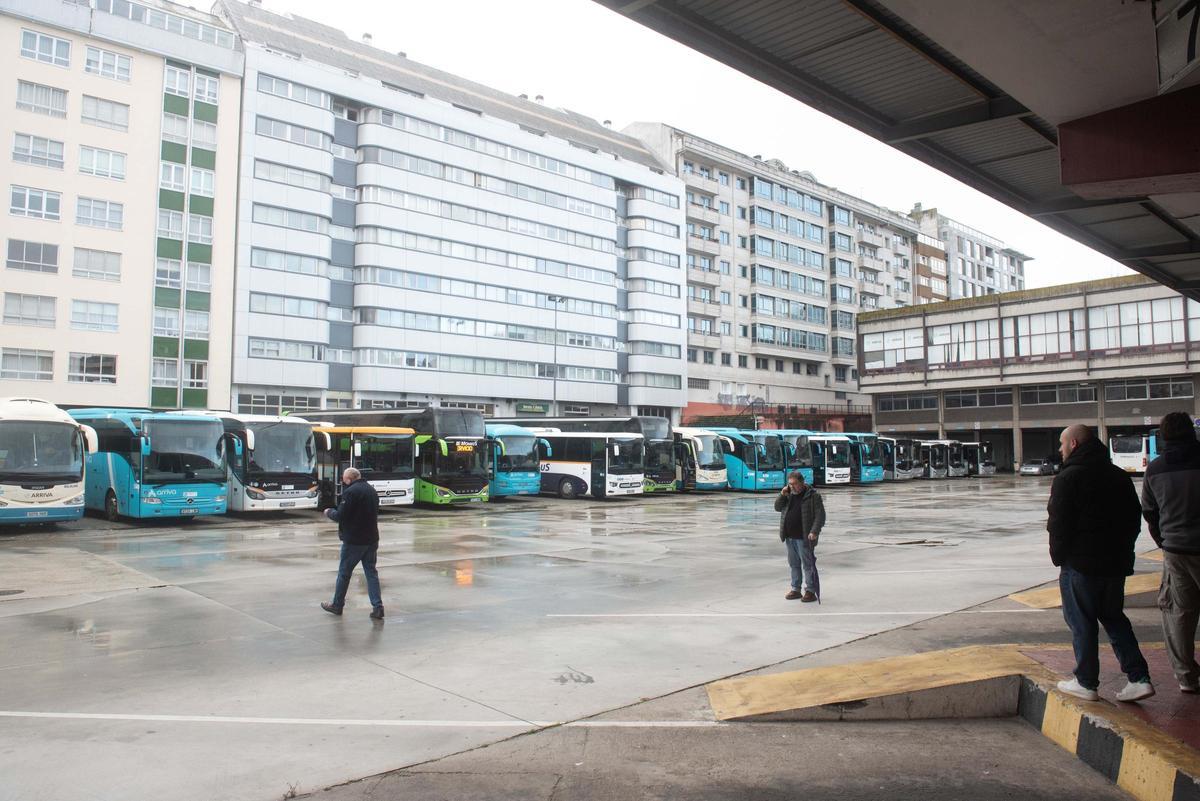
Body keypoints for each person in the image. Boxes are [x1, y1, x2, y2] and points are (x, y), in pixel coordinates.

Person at [1047, 424, 1154, 702]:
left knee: (1082, 622)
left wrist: (1059, 557)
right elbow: (1134, 519)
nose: (1059, 449)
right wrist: (1122, 552)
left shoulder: (1068, 478)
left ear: (1074, 444)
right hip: (1114, 565)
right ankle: (1138, 678)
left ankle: (1086, 681)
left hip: (1080, 565)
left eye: (1062, 443)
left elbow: (1058, 525)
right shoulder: (1118, 476)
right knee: (1114, 617)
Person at [1141, 412, 1200, 694]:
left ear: (1163, 436)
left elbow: (1150, 513)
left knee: (1178, 612)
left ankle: (1186, 676)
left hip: (1176, 550)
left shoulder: (1155, 469)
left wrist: (1164, 541)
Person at [321, 467, 384, 620]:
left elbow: (341, 515)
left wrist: (329, 512)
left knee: (344, 574)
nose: (343, 481)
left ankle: (337, 605)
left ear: (349, 479)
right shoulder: (371, 490)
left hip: (355, 541)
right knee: (371, 573)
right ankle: (378, 607)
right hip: (371, 539)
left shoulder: (350, 492)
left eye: (344, 479)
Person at [775, 471, 825, 602]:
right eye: (790, 484)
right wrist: (782, 495)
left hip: (805, 538)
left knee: (808, 565)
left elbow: (820, 516)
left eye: (795, 484)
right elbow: (777, 507)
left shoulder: (813, 496)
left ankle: (810, 591)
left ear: (802, 482)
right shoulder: (788, 495)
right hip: (789, 537)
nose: (792, 487)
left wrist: (814, 531)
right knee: (794, 564)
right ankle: (796, 589)